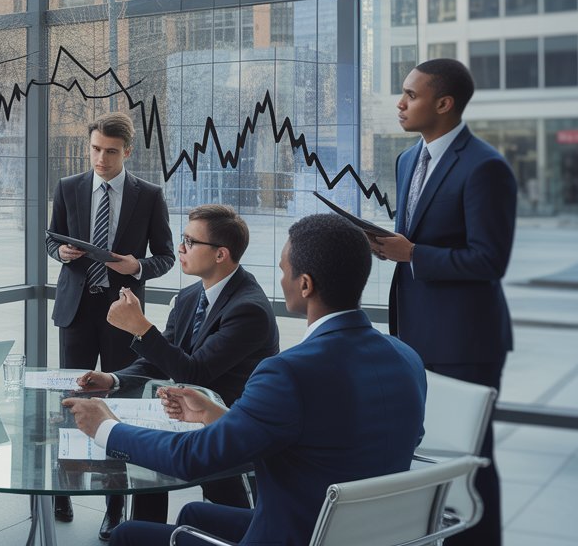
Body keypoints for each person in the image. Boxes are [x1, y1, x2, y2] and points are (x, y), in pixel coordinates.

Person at [64, 214, 426, 546]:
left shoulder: (288, 372)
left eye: (284, 270)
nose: (280, 279)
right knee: (193, 515)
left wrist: (105, 427)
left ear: (305, 285)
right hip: (350, 532)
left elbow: (190, 458)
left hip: (295, 534)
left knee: (128, 536)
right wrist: (216, 416)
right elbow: (321, 442)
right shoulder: (406, 358)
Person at [369, 57, 517, 546]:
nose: (401, 102)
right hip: (412, 334)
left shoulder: (485, 167)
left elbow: (488, 261)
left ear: (444, 103)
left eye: (411, 94)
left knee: (470, 457)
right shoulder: (408, 158)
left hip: (464, 341)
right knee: (421, 452)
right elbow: (416, 239)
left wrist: (413, 253)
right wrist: (390, 246)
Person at [75, 204, 277, 525]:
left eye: (190, 242)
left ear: (221, 254)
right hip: (188, 416)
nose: (180, 248)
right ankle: (145, 531)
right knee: (146, 450)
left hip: (229, 426)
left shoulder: (248, 309)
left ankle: (237, 531)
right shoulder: (190, 297)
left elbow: (193, 372)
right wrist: (113, 379)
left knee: (219, 501)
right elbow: (160, 361)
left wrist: (140, 326)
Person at [46, 111, 175, 534]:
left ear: (128, 152)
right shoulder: (69, 187)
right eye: (96, 149)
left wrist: (137, 265)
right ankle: (61, 491)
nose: (101, 158)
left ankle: (114, 508)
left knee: (118, 407)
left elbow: (166, 255)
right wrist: (60, 253)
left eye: (111, 152)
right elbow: (53, 237)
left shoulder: (150, 195)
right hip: (77, 311)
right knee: (71, 401)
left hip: (122, 312)